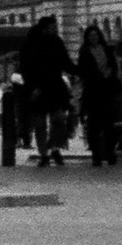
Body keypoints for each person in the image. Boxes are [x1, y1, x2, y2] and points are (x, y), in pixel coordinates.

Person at [17, 15, 73, 167]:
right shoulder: (30, 43)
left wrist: (80, 70)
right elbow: (25, 68)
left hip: (54, 86)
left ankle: (54, 147)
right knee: (40, 124)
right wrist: (32, 88)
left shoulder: (57, 42)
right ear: (45, 28)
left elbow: (66, 62)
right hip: (38, 88)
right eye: (53, 28)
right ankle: (44, 154)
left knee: (59, 119)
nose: (56, 30)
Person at [76, 23, 122, 169]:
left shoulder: (106, 49)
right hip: (93, 92)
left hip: (107, 91)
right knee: (93, 124)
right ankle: (96, 155)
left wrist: (110, 73)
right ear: (87, 38)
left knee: (109, 124)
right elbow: (84, 71)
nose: (94, 38)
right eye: (91, 36)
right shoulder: (85, 52)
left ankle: (110, 152)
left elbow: (113, 65)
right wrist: (98, 76)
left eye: (96, 35)